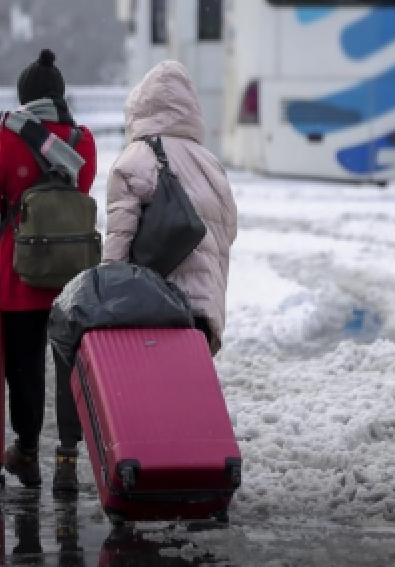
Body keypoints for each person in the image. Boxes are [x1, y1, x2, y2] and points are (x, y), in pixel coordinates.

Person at [49, 60, 238, 494]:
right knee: (183, 396)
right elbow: (228, 232)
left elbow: (119, 241)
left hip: (152, 303)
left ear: (141, 107)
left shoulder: (135, 160)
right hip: (202, 305)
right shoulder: (211, 164)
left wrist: (105, 296)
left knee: (147, 402)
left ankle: (150, 478)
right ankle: (193, 476)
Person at [0, 49, 97, 489]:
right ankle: (67, 459)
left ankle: (25, 452)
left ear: (24, 98)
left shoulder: (10, 136)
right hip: (72, 277)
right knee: (68, 368)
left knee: (23, 366)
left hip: (22, 275)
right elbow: (78, 194)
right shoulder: (83, 142)